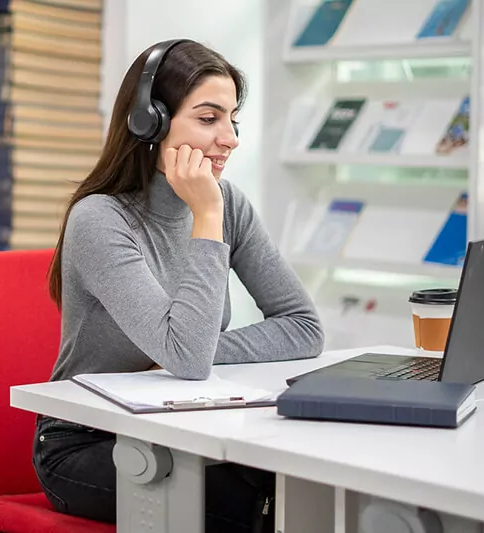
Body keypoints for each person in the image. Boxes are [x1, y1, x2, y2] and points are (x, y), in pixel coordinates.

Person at [33, 39, 325, 533]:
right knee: (260, 507)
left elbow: (304, 328)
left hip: (185, 429)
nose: (230, 138)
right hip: (88, 443)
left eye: (233, 120)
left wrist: (194, 349)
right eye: (209, 118)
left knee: (305, 479)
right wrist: (205, 216)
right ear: (150, 122)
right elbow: (186, 361)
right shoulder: (102, 218)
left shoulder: (229, 202)